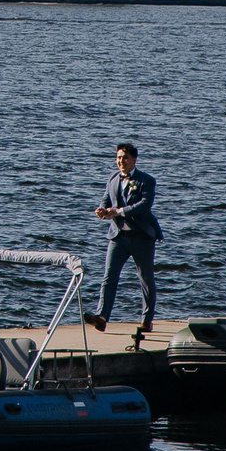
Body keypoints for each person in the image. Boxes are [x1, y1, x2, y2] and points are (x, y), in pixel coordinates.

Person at [85, 141, 161, 332]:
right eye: (118, 158)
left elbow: (144, 205)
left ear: (134, 159)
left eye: (125, 158)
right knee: (109, 277)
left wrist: (118, 211)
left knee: (145, 279)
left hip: (141, 236)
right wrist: (101, 210)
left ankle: (147, 319)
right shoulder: (112, 177)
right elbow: (106, 199)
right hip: (118, 236)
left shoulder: (147, 180)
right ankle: (102, 316)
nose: (121, 161)